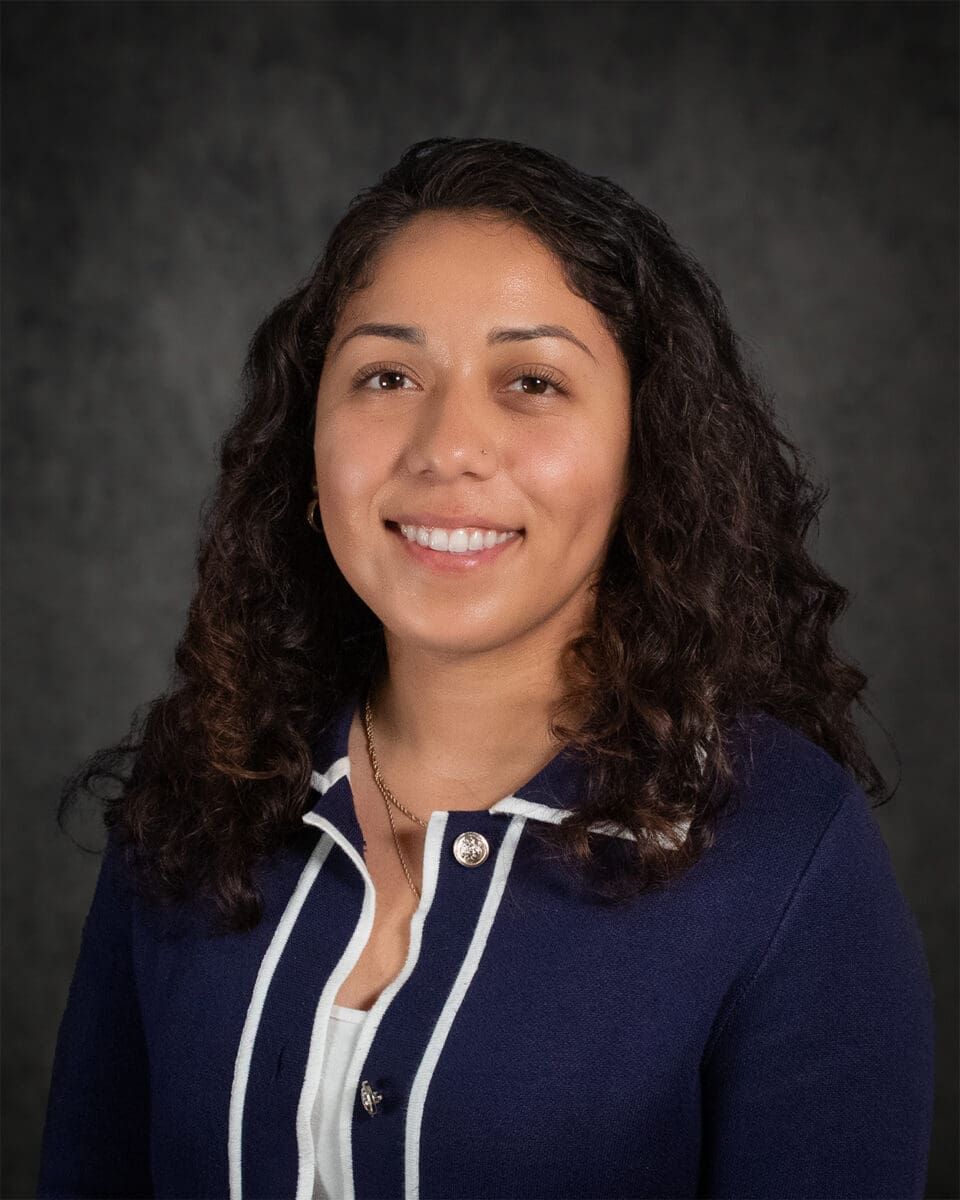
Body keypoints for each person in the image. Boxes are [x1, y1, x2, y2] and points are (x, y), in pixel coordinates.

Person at [38, 136, 935, 1200]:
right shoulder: (193, 794)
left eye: (532, 381)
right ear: (307, 453)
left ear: (645, 454)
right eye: (387, 374)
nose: (446, 446)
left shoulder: (788, 849)